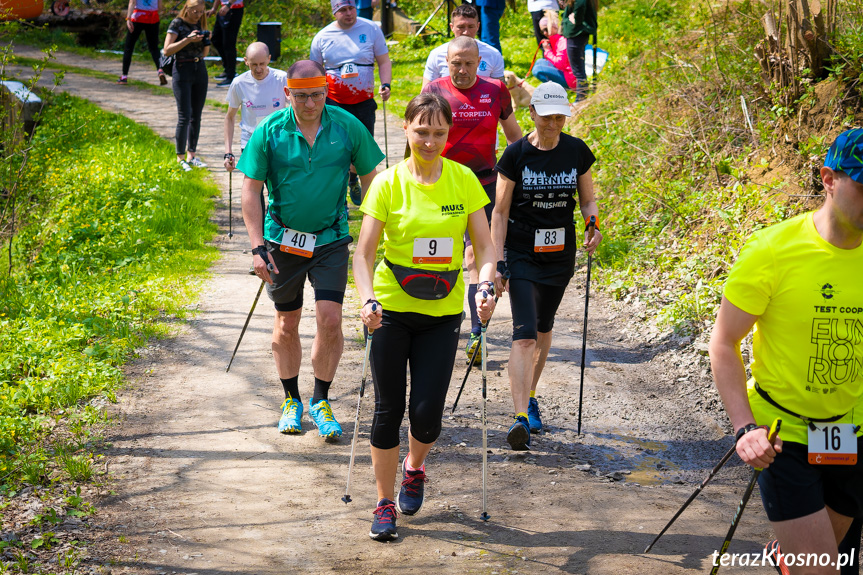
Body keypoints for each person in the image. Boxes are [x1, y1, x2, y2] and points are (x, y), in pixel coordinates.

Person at [708, 129, 863, 575]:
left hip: (852, 434)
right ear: (828, 179)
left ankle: (785, 557)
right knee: (820, 571)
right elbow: (723, 342)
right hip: (783, 436)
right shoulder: (773, 251)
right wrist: (744, 430)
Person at [353, 92, 497, 542]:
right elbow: (364, 253)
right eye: (422, 131)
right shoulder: (387, 183)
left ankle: (414, 469)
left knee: (428, 415)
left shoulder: (464, 180)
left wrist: (487, 285)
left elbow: (487, 247)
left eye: (439, 133)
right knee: (387, 409)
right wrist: (366, 300)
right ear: (406, 129)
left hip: (441, 312)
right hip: (391, 310)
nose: (430, 141)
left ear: (448, 133)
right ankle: (383, 502)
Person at [236, 60, 384, 440]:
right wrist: (257, 247)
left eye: (317, 95)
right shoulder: (269, 131)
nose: (309, 103)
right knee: (287, 322)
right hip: (282, 240)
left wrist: (373, 230)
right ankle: (291, 400)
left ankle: (321, 400)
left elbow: (373, 180)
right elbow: (251, 190)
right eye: (301, 96)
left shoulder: (347, 126)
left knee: (330, 320)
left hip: (331, 238)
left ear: (326, 92)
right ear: (288, 94)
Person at [490, 82, 601, 450]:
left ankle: (531, 394)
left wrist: (593, 225)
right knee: (523, 334)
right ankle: (520, 415)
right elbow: (500, 212)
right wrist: (499, 260)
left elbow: (586, 202)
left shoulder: (576, 151)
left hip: (559, 254)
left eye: (559, 116)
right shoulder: (515, 155)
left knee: (542, 327)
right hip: (521, 252)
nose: (553, 123)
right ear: (532, 114)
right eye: (547, 116)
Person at [422, 35, 522, 365]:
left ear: (480, 63)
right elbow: (419, 138)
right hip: (443, 185)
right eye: (456, 64)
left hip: (485, 185)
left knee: (475, 257)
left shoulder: (495, 90)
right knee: (437, 255)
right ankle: (434, 324)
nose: (462, 70)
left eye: (469, 64)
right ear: (446, 63)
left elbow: (514, 138)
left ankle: (477, 332)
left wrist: (524, 172)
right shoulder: (433, 91)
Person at [310, 0, 391, 206]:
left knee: (361, 152)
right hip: (334, 102)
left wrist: (386, 84)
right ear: (334, 12)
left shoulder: (371, 29)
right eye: (343, 10)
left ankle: (354, 180)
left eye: (351, 8)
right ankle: (339, 203)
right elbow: (315, 71)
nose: (349, 13)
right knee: (336, 151)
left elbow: (383, 60)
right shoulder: (322, 37)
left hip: (363, 101)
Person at [223, 42, 287, 170]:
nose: (258, 69)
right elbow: (229, 117)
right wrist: (228, 152)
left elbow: (296, 110)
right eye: (254, 65)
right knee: (253, 188)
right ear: (246, 61)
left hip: (277, 141)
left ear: (269, 59)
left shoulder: (281, 79)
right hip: (250, 141)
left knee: (276, 188)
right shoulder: (239, 83)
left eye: (262, 64)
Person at [163, 0, 210, 172]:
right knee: (184, 115)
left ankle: (192, 155)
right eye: (195, 11)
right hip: (182, 69)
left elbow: (205, 53)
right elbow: (167, 50)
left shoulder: (201, 22)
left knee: (196, 115)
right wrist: (188, 40)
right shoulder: (177, 23)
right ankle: (180, 157)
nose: (198, 15)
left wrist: (206, 41)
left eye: (201, 12)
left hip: (200, 69)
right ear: (187, 9)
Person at [421, 3, 505, 90]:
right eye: (461, 27)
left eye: (471, 27)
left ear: (478, 26)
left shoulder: (493, 55)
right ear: (452, 27)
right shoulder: (437, 55)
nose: (466, 32)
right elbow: (426, 93)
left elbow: (500, 93)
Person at [118, 0, 165, 86]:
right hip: (153, 18)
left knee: (129, 47)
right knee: (154, 48)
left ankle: (124, 77)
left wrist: (128, 18)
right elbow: (160, 6)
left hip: (138, 17)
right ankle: (160, 70)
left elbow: (132, 2)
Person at [561, 0, 597, 101]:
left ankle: (581, 99)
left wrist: (576, 19)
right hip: (577, 34)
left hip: (576, 34)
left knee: (578, 70)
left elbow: (581, 4)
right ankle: (582, 96)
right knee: (579, 69)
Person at [533, 11, 577, 92]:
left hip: (570, 79)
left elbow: (560, 64)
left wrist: (547, 51)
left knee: (537, 70)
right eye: (542, 31)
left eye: (546, 29)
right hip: (565, 73)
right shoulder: (555, 40)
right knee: (539, 62)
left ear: (553, 26)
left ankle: (558, 91)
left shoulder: (562, 41)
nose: (544, 33)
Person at [208, 0, 244, 87]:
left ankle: (231, 75)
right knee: (216, 39)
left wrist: (228, 5)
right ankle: (227, 70)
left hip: (234, 9)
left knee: (228, 43)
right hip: (224, 8)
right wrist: (214, 8)